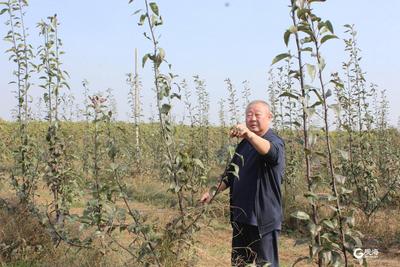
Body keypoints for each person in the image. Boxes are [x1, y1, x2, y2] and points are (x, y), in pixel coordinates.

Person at [200, 100, 285, 267]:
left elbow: (272, 154)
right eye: (248, 115)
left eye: (257, 114)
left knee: (265, 264)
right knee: (239, 263)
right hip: (241, 218)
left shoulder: (274, 141)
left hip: (263, 221)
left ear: (269, 117)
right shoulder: (244, 144)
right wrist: (212, 193)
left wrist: (249, 135)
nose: (252, 118)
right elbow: (230, 175)